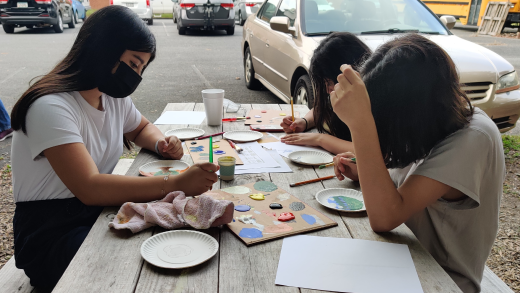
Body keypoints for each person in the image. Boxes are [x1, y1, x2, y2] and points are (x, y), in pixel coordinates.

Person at [10, 6, 219, 289]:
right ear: (103, 48)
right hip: (52, 236)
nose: (135, 76)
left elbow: (140, 127)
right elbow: (90, 187)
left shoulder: (110, 95)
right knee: (140, 267)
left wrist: (161, 142)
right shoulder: (50, 106)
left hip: (98, 212)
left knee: (178, 239)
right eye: (133, 64)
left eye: (141, 68)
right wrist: (176, 182)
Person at [330, 34, 504, 293]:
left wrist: (360, 123)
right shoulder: (432, 123)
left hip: (441, 278)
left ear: (411, 111)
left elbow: (385, 217)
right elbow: (405, 182)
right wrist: (363, 169)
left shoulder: (473, 137)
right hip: (401, 259)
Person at [279, 32, 370, 154]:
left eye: (328, 83)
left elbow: (368, 152)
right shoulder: (342, 93)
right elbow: (324, 109)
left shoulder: (370, 102)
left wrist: (320, 139)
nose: (327, 90)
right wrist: (304, 122)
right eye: (324, 84)